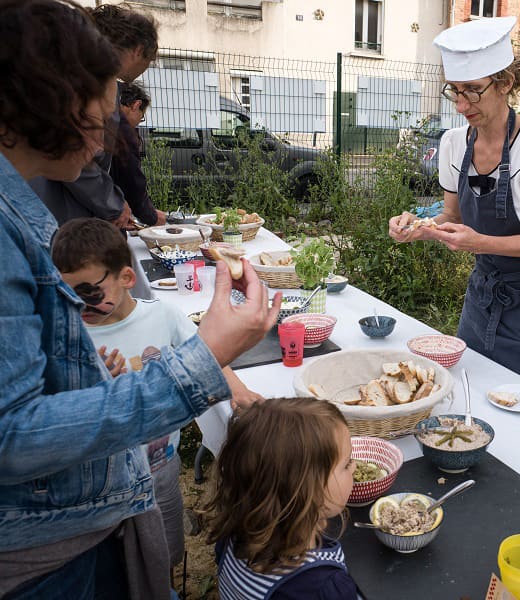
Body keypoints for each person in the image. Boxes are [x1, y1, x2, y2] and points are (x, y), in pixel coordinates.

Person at [0, 1, 280, 596]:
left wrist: (81, 379)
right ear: (53, 100)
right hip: (45, 557)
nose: (108, 138)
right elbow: (12, 436)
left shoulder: (18, 209)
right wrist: (204, 355)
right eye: (100, 115)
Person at [52, 217, 265, 575]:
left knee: (166, 547)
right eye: (66, 293)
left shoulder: (162, 315)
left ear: (126, 278)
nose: (78, 303)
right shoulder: (69, 337)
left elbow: (205, 353)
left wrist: (239, 392)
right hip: (104, 478)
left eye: (88, 291)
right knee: (121, 562)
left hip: (161, 465)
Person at [388, 17, 520, 396]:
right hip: (484, 297)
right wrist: (419, 228)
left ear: (505, 83)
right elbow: (452, 217)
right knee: (470, 394)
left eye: (473, 91)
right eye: (454, 92)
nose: (461, 105)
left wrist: (479, 243)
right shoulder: (454, 144)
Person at [205, 398, 365, 600]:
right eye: (346, 464)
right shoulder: (324, 588)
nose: (355, 467)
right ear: (308, 491)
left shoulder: (232, 532)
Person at [29, 3, 160, 230]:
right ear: (139, 50)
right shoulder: (85, 81)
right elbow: (72, 151)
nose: (101, 143)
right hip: (58, 221)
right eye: (100, 120)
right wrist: (113, 203)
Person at [113, 82, 166, 228]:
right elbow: (132, 180)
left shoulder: (107, 119)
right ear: (136, 105)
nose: (137, 123)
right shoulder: (123, 132)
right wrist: (151, 216)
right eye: (141, 117)